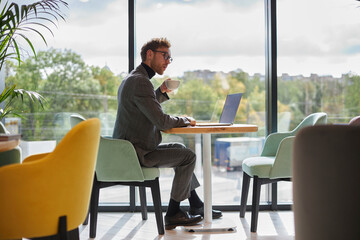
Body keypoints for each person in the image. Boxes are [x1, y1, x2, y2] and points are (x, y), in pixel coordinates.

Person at [113, 37, 222, 230]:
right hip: (137, 153)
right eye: (165, 56)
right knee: (187, 157)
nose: (167, 61)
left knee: (180, 149)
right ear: (149, 54)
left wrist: (161, 92)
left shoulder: (135, 79)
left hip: (129, 149)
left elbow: (144, 107)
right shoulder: (140, 82)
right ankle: (173, 213)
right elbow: (162, 122)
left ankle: (196, 205)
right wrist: (185, 120)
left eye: (170, 58)